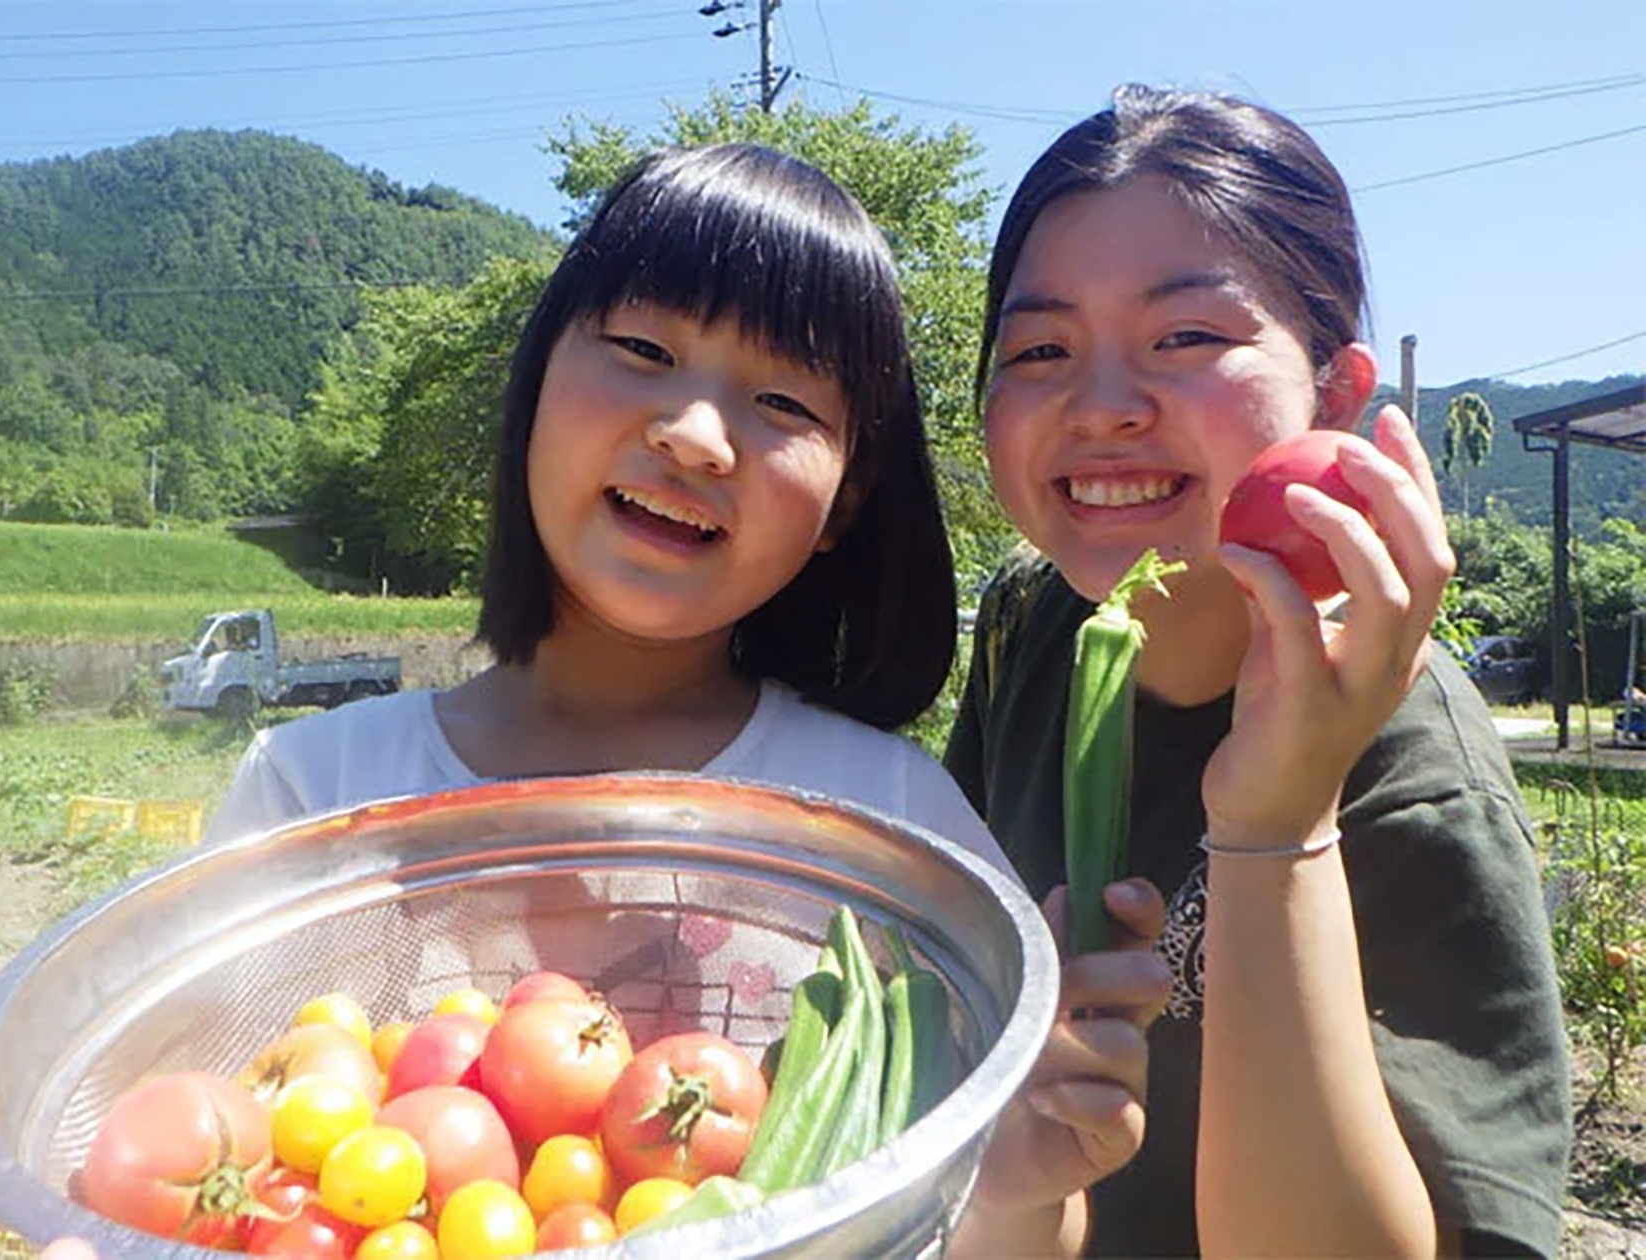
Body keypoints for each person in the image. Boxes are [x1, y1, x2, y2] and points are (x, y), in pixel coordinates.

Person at [195, 141, 1105, 1255]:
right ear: (536, 382)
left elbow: (1004, 1227)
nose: (694, 436)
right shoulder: (312, 792)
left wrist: (1023, 1176)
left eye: (780, 399)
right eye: (640, 348)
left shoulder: (892, 823)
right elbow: (212, 1170)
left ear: (848, 495)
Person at [945, 85, 1571, 1258]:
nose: (1102, 407)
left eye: (1185, 338)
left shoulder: (1414, 761)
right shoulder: (1030, 631)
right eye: (1041, 349)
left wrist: (1278, 824)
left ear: (1335, 392)